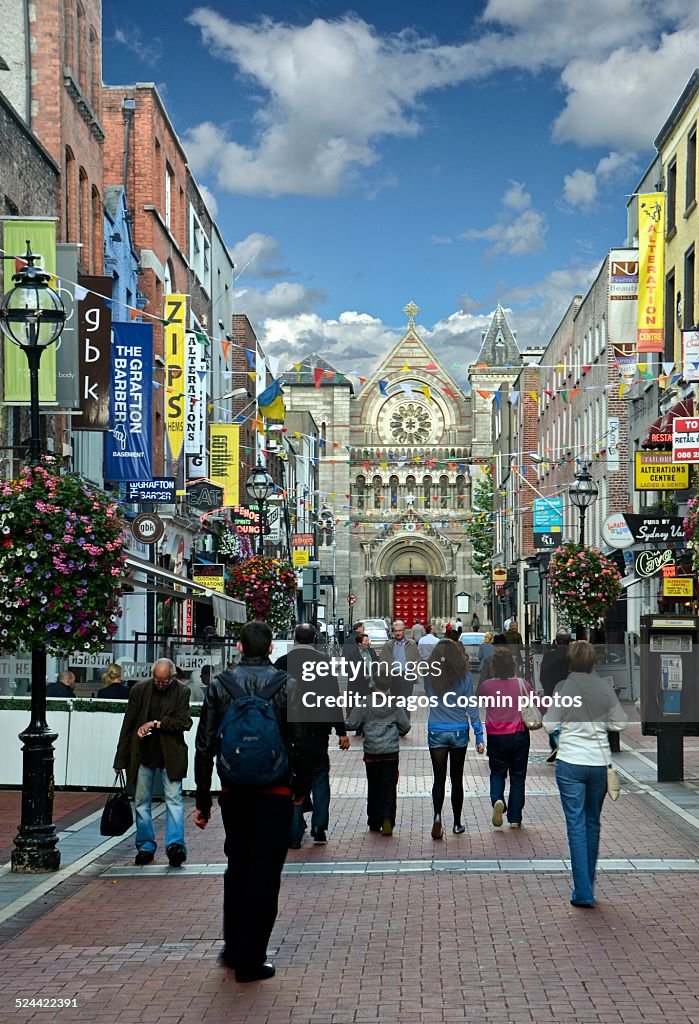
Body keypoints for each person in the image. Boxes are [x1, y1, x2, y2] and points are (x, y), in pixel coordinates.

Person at [194, 621, 310, 982]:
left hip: (234, 792)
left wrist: (203, 799)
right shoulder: (287, 685)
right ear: (271, 647)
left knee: (238, 865)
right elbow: (301, 741)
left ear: (240, 648)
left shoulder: (220, 685)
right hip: (274, 791)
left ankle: (233, 947)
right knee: (265, 872)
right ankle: (251, 957)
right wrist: (301, 787)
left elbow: (204, 744)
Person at [543, 640, 627, 908]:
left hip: (571, 761)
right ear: (594, 662)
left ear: (571, 661)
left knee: (575, 825)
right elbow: (620, 722)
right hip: (599, 763)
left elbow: (549, 724)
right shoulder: (603, 687)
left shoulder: (567, 687)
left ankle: (583, 890)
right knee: (592, 823)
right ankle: (588, 884)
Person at [113, 658, 192, 867]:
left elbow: (185, 723)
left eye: (165, 681)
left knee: (174, 800)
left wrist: (156, 724)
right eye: (157, 680)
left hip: (170, 755)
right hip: (144, 753)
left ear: (172, 677)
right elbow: (128, 724)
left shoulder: (181, 692)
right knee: (141, 801)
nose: (160, 685)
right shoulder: (139, 690)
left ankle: (175, 846)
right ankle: (145, 845)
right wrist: (120, 758)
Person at [276, 623, 350, 848]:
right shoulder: (323, 662)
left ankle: (295, 831)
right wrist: (341, 731)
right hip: (318, 731)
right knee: (319, 776)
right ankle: (319, 826)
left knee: (294, 778)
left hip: (289, 732)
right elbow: (333, 696)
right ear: (314, 640)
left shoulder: (282, 663)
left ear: (295, 639)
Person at [424, 640, 485, 837]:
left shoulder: (430, 675)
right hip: (458, 729)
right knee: (456, 779)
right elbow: (471, 706)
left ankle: (437, 816)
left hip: (437, 728)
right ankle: (457, 822)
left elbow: (429, 696)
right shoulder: (465, 676)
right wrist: (479, 734)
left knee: (439, 778)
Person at [479, 648, 537, 829]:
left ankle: (497, 799)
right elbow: (539, 704)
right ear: (512, 666)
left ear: (494, 666)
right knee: (518, 777)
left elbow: (482, 701)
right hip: (519, 735)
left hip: (496, 736)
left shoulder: (487, 686)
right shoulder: (523, 684)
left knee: (497, 773)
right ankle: (515, 817)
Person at [345, 678, 410, 835]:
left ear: (374, 684)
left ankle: (374, 820)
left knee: (373, 785)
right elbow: (405, 726)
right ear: (389, 685)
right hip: (390, 752)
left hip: (372, 750)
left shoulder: (365, 702)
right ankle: (387, 819)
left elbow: (352, 723)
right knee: (389, 786)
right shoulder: (395, 704)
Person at [540, 628, 572, 760]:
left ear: (556, 641)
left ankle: (555, 745)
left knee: (552, 719)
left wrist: (547, 689)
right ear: (569, 641)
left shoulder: (548, 655)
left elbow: (543, 674)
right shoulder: (572, 655)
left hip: (552, 691)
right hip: (570, 692)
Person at [378, 620, 420, 704]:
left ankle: (405, 717)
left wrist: (414, 673)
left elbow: (417, 659)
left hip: (407, 676)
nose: (398, 633)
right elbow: (382, 661)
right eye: (396, 631)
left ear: (404, 631)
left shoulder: (411, 644)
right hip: (393, 676)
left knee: (405, 702)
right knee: (394, 702)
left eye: (400, 630)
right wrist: (384, 678)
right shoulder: (388, 645)